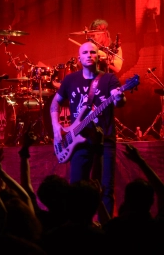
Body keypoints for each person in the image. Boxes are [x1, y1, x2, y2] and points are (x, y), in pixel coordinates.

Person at [50, 41, 125, 217]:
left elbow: (120, 102)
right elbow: (55, 103)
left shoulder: (109, 79)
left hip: (105, 139)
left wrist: (119, 97)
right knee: (76, 187)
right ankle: (79, 226)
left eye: (93, 52)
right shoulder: (70, 79)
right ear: (79, 58)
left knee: (105, 188)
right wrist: (56, 129)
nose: (89, 55)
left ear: (98, 56)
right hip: (78, 140)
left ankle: (106, 229)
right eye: (85, 53)